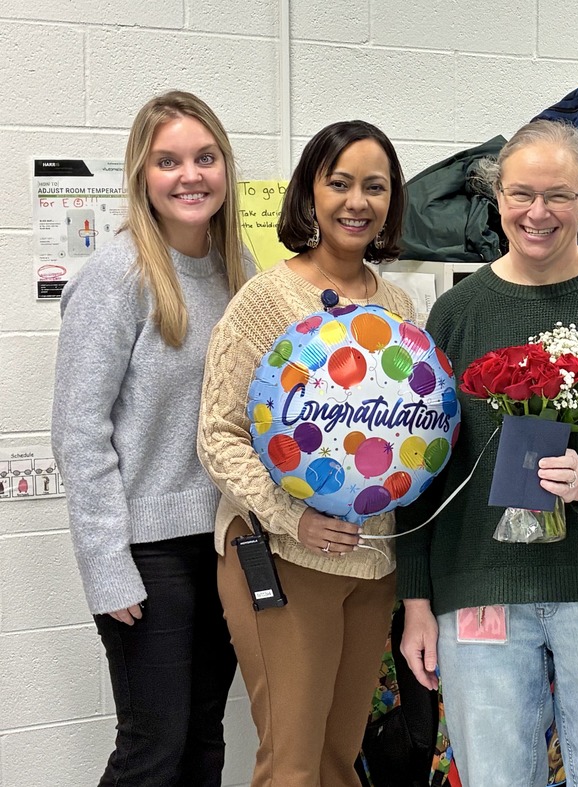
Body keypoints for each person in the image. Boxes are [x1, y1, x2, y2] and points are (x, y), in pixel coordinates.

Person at [395, 119, 578, 787]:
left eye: (558, 194)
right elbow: (423, 470)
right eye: (520, 193)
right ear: (496, 197)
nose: (537, 212)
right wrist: (416, 596)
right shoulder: (456, 314)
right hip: (483, 587)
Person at [197, 120, 415, 787]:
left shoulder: (400, 303)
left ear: (390, 202)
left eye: (374, 187)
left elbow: (412, 430)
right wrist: (294, 519)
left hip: (373, 564)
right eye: (340, 183)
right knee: (291, 764)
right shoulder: (266, 301)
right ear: (310, 194)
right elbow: (218, 433)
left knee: (338, 759)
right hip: (285, 556)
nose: (357, 201)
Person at [51, 90, 249, 786]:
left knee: (204, 742)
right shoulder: (117, 276)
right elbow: (79, 432)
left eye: (204, 157)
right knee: (152, 749)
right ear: (142, 174)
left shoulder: (239, 274)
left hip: (226, 541)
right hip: (147, 552)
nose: (189, 175)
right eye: (168, 161)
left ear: (226, 167)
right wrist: (106, 565)